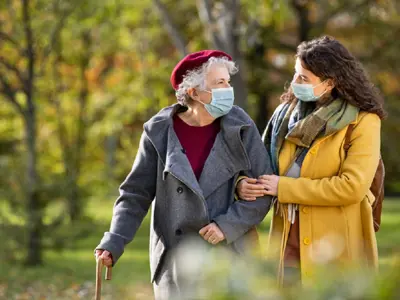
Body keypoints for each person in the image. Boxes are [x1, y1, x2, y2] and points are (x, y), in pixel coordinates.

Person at [95, 50, 273, 299]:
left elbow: (264, 189)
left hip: (231, 257)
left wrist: (227, 225)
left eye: (228, 82)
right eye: (219, 83)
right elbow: (135, 194)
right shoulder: (159, 131)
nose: (228, 89)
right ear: (194, 92)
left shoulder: (241, 126)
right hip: (175, 260)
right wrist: (114, 241)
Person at [237, 36, 386, 285]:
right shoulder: (285, 117)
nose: (294, 83)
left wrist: (283, 188)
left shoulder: (363, 122)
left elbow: (352, 186)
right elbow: (258, 166)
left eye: (304, 78)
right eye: (296, 74)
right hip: (287, 239)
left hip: (336, 244)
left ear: (329, 83)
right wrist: (242, 183)